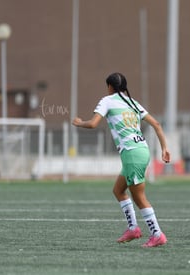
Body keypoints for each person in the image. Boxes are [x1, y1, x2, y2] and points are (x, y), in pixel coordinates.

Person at [72, 72, 170, 247]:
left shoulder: (107, 100)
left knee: (139, 197)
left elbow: (94, 124)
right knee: (118, 190)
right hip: (140, 150)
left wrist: (79, 123)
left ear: (109, 87)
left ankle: (157, 234)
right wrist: (164, 148)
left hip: (132, 153)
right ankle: (133, 228)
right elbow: (156, 124)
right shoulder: (133, 103)